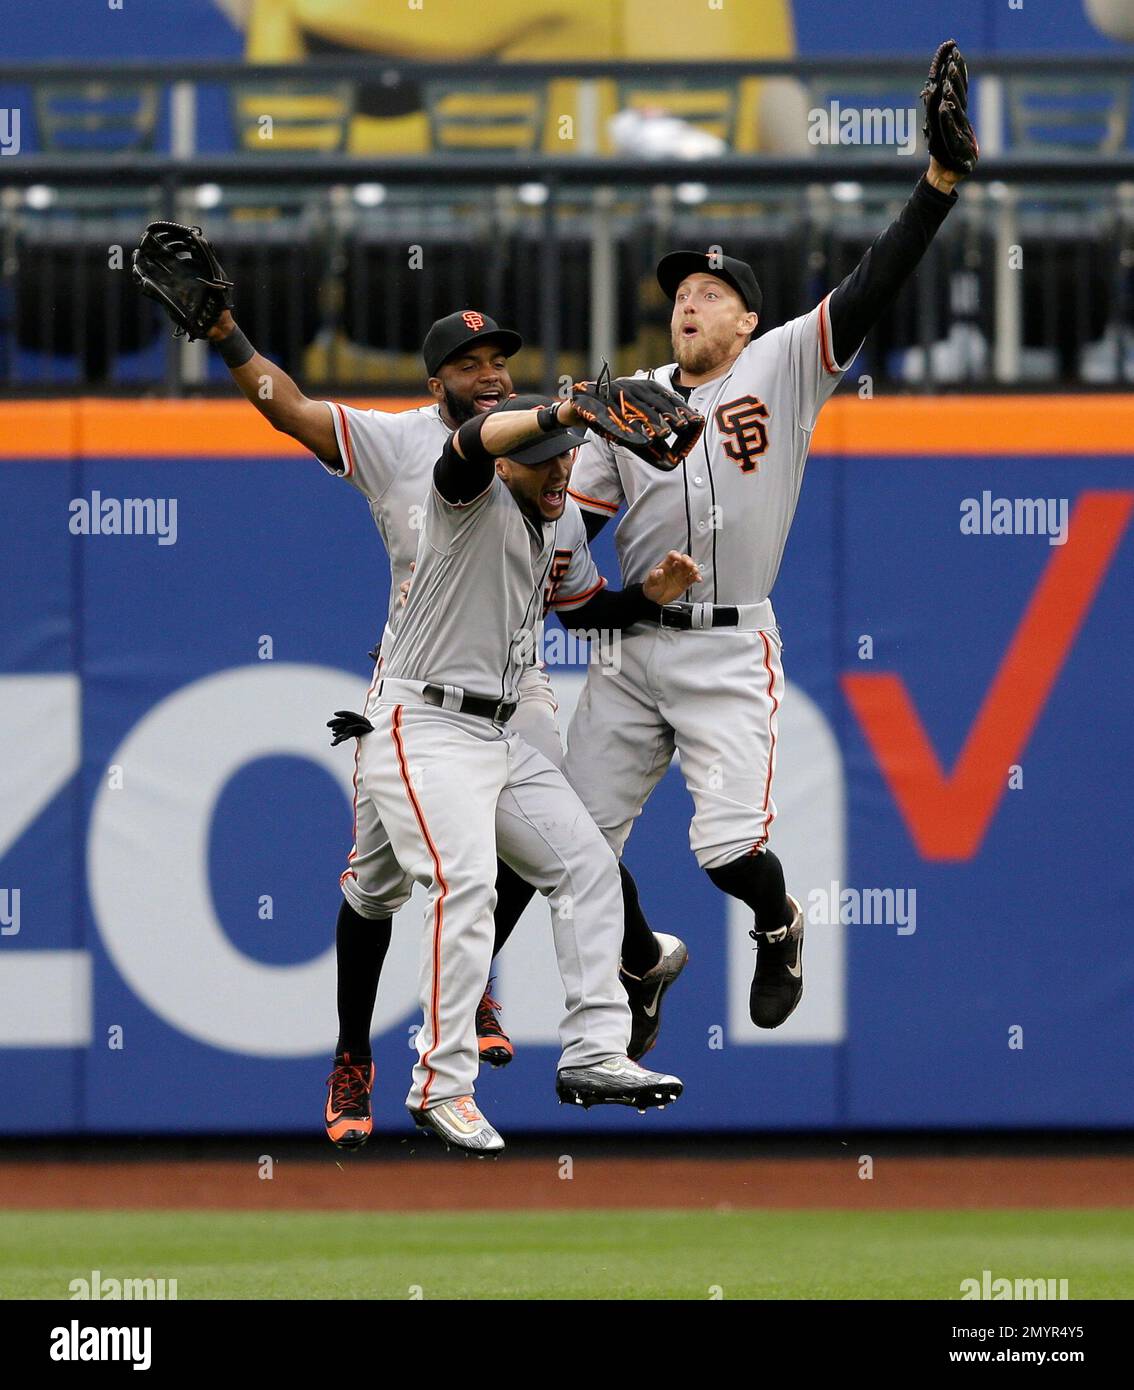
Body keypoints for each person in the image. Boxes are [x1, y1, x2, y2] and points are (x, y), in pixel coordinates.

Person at [562, 41, 979, 1032]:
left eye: (709, 293)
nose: (688, 302)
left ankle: (779, 919)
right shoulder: (629, 399)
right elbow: (571, 526)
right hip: (632, 648)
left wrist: (938, 184)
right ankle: (639, 960)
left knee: (727, 851)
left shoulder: (786, 363)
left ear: (748, 320)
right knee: (568, 839)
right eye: (678, 294)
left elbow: (875, 282)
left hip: (727, 642)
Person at [350, 392, 698, 1150]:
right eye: (540, 460)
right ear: (508, 462)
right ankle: (441, 1085)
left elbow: (582, 610)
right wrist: (554, 414)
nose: (556, 471)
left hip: (498, 731)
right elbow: (472, 440)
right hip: (423, 723)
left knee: (588, 864)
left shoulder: (563, 516)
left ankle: (596, 1052)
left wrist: (645, 598)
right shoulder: (465, 495)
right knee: (465, 885)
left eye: (566, 458)